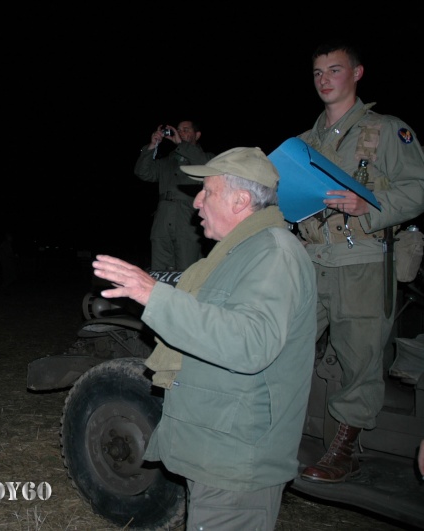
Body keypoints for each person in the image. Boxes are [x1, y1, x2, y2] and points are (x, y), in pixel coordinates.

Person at [93, 147, 317, 530]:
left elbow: (250, 343)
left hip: (236, 464)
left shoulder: (273, 254)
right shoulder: (235, 255)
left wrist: (153, 294)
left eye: (207, 192)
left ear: (241, 200)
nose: (195, 201)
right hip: (216, 452)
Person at [295, 40, 424, 483]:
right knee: (284, 342)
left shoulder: (387, 131)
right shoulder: (303, 143)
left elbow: (417, 189)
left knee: (360, 358)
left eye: (334, 70)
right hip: (311, 261)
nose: (324, 80)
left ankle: (345, 448)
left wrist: (368, 204)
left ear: (357, 73)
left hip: (363, 262)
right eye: (317, 73)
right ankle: (277, 428)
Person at [134, 120, 215, 271]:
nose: (180, 133)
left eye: (186, 130)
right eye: (178, 130)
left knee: (187, 272)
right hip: (162, 221)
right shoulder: (166, 162)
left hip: (188, 221)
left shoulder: (206, 158)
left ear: (197, 135)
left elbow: (206, 167)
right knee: (160, 271)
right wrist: (153, 146)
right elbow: (142, 172)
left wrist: (181, 144)